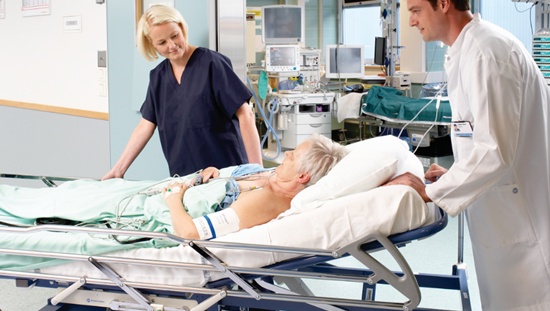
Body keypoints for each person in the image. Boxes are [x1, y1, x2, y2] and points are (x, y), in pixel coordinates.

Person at [384, 0, 550, 310]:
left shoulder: (487, 53)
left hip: (523, 222)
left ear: (444, 4)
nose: (411, 21)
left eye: (416, 10)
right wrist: (455, 175)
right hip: (502, 213)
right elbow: (485, 139)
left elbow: (495, 152)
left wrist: (431, 191)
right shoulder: (467, 51)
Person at [102, 5, 261, 180]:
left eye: (174, 35)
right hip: (185, 177)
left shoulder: (212, 64)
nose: (172, 45)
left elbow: (246, 115)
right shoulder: (158, 77)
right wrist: (118, 169)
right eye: (162, 43)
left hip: (226, 172)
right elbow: (145, 126)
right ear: (151, 44)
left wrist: (258, 172)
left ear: (182, 28)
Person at [162, 134, 348, 240]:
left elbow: (190, 233)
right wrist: (214, 173)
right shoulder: (272, 174)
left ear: (302, 176)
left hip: (165, 205)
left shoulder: (266, 200)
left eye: (294, 154)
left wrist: (173, 199)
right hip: (177, 186)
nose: (288, 153)